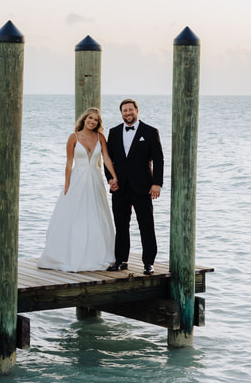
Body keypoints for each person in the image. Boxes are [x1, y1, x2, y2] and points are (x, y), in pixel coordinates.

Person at [38, 108, 119, 272]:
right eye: (90, 118)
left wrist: (114, 176)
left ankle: (97, 254)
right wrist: (67, 184)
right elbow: (69, 163)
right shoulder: (73, 137)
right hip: (78, 179)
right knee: (74, 215)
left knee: (97, 215)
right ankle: (68, 253)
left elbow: (107, 158)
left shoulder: (100, 137)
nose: (93, 121)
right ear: (84, 119)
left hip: (95, 179)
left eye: (96, 120)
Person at [104, 98, 164, 274]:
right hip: (120, 188)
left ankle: (148, 263)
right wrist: (110, 179)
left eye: (130, 110)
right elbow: (108, 159)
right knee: (121, 225)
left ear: (136, 111)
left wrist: (157, 183)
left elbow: (158, 159)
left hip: (143, 187)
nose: (128, 113)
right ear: (121, 113)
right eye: (124, 111)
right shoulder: (114, 132)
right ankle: (121, 260)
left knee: (146, 225)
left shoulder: (150, 132)